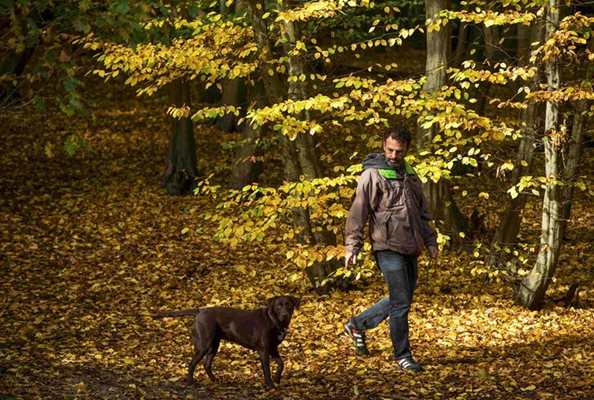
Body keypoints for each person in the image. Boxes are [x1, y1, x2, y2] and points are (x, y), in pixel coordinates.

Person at [343, 124, 439, 372]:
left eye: (399, 151)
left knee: (402, 298)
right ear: (384, 146)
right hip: (386, 247)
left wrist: (430, 241)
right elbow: (357, 213)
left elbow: (421, 213)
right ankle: (402, 355)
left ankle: (357, 324)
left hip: (411, 246)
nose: (394, 156)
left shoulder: (410, 173)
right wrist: (352, 247)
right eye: (390, 150)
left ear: (407, 150)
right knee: (401, 303)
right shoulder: (372, 175)